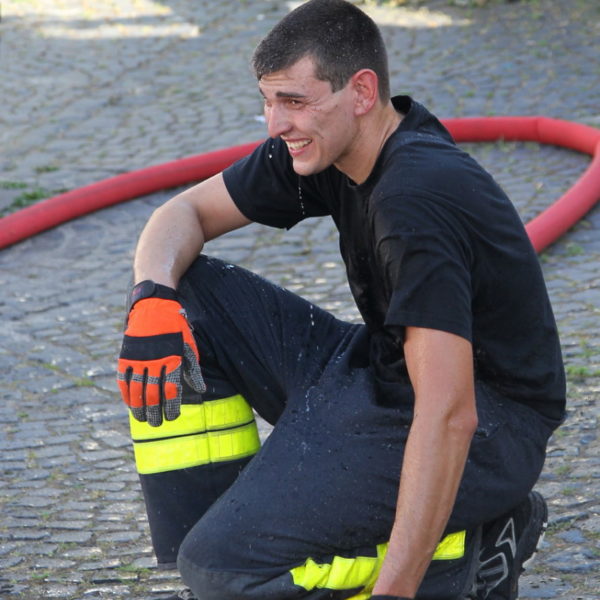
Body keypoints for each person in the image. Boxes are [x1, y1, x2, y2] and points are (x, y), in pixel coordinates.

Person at [116, 1, 566, 598]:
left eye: (295, 102)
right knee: (183, 294)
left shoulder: (414, 203)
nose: (275, 124)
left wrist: (394, 591)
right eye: (269, 101)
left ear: (360, 91)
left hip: (489, 422)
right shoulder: (329, 147)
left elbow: (450, 412)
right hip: (381, 367)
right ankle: (228, 531)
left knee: (224, 572)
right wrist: (151, 298)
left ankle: (464, 557)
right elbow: (184, 213)